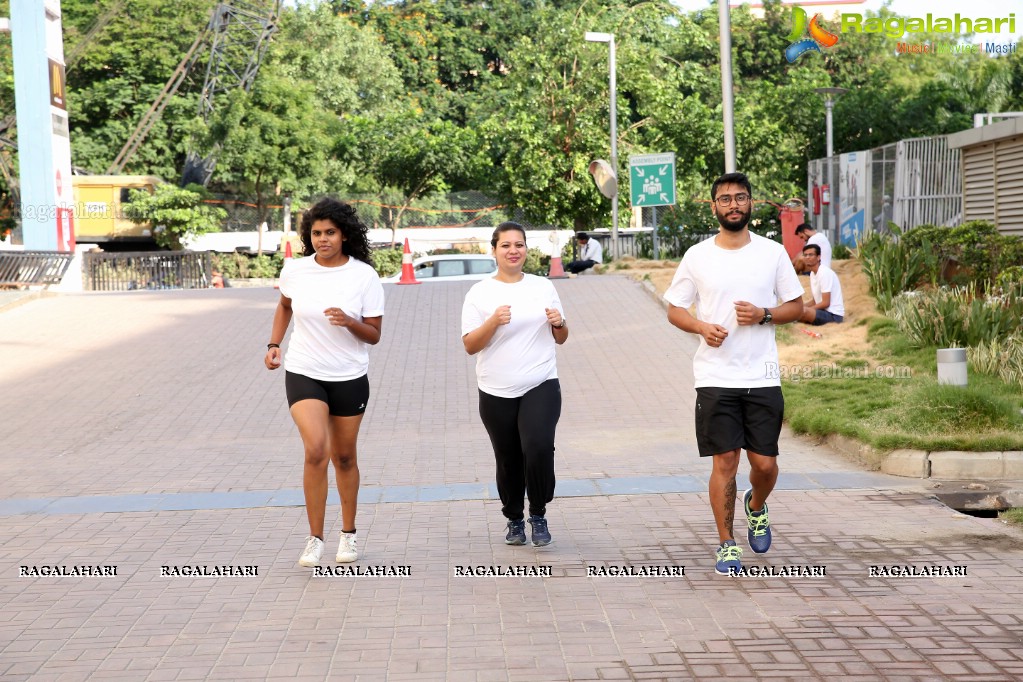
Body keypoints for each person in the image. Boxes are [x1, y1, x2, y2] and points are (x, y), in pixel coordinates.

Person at [664, 172, 804, 575]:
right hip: (715, 377)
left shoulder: (771, 253)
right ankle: (727, 543)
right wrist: (701, 327)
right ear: (714, 207)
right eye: (724, 199)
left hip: (761, 376)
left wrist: (764, 314)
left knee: (764, 465)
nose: (733, 205)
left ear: (750, 204)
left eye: (740, 198)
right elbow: (675, 308)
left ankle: (756, 505)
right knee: (724, 460)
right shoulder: (697, 255)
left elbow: (795, 306)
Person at [264, 198, 385, 567]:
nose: (322, 239)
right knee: (316, 450)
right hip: (304, 371)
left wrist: (350, 322)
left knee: (344, 457)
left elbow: (374, 334)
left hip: (349, 375)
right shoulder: (296, 271)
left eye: (330, 232)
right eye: (316, 233)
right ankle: (314, 538)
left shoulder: (363, 276)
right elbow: (285, 305)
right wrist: (274, 344)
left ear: (344, 235)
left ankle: (348, 535)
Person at [461, 222, 568, 547]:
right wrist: (493, 321)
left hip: (541, 382)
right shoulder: (479, 293)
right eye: (505, 245)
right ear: (494, 250)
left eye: (518, 244)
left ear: (525, 249)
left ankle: (537, 513)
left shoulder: (542, 287)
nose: (513, 250)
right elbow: (470, 345)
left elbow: (561, 337)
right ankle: (513, 519)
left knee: (537, 448)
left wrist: (559, 323)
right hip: (495, 390)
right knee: (508, 457)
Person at [798, 243, 844, 325]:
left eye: (811, 255)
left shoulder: (824, 273)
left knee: (802, 312)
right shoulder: (813, 273)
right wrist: (800, 308)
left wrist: (806, 310)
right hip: (822, 312)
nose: (807, 257)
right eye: (805, 255)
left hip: (833, 316)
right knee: (796, 310)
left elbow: (826, 303)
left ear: (818, 257)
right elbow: (815, 301)